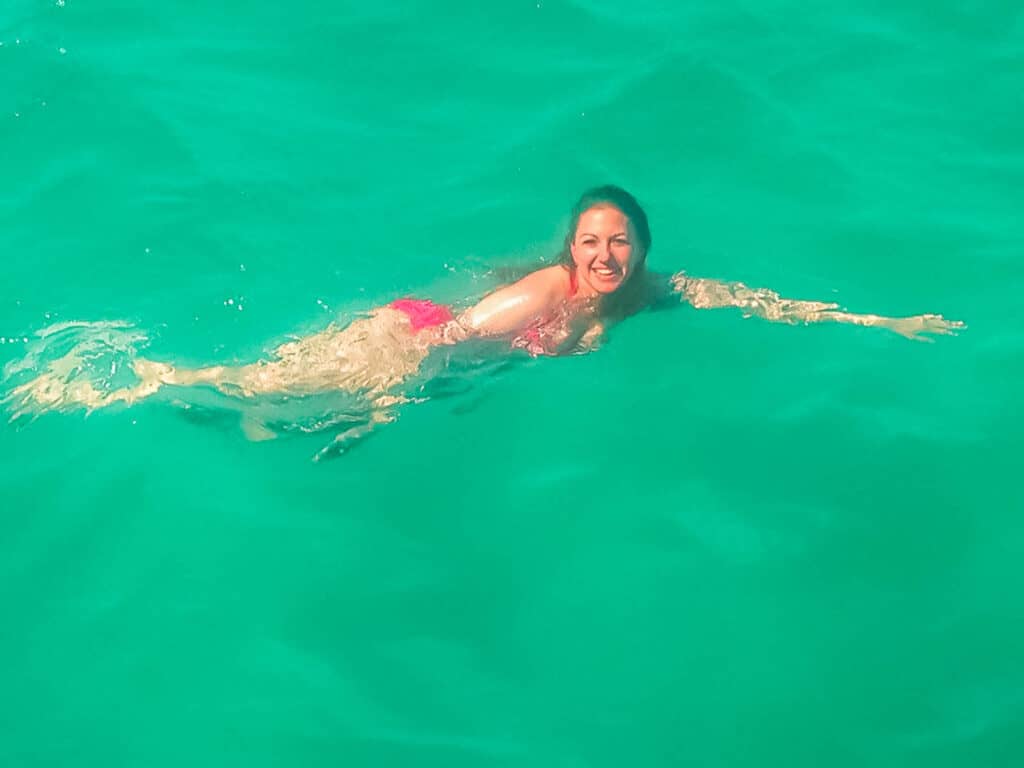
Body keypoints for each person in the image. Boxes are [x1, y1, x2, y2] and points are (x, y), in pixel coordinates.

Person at [5, 185, 963, 446]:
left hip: (453, 360)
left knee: (265, 415)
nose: (603, 255)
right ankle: (107, 383)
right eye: (590, 242)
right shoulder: (547, 292)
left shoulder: (650, 293)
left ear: (642, 252)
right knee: (261, 387)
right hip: (417, 337)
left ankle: (169, 399)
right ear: (570, 252)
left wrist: (882, 327)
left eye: (619, 242)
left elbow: (756, 302)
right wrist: (391, 392)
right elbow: (456, 335)